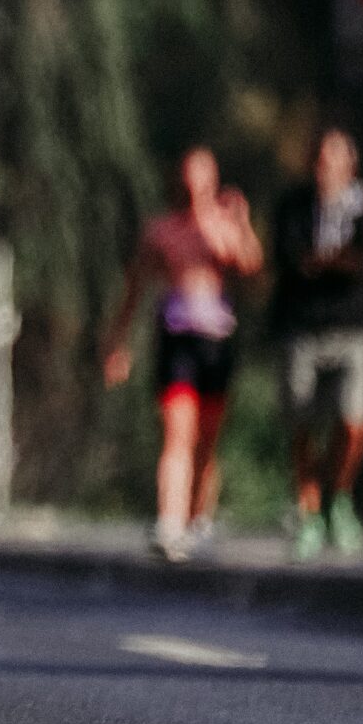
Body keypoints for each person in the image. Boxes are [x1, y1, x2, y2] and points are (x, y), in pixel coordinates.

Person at [105, 146, 264, 562]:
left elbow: (252, 269)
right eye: (190, 178)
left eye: (204, 179)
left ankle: (199, 519)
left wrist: (240, 224)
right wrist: (118, 343)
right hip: (176, 338)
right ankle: (170, 520)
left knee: (207, 440)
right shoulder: (161, 231)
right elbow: (134, 288)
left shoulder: (224, 228)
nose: (196, 188)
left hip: (216, 340)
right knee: (177, 432)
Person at [271, 127, 363, 560]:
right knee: (301, 423)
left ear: (349, 165)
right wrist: (335, 260)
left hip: (353, 329)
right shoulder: (294, 206)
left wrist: (327, 261)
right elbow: (290, 259)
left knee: (354, 420)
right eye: (319, 160)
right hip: (302, 328)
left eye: (333, 160)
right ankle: (309, 513)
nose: (324, 168)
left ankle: (339, 496)